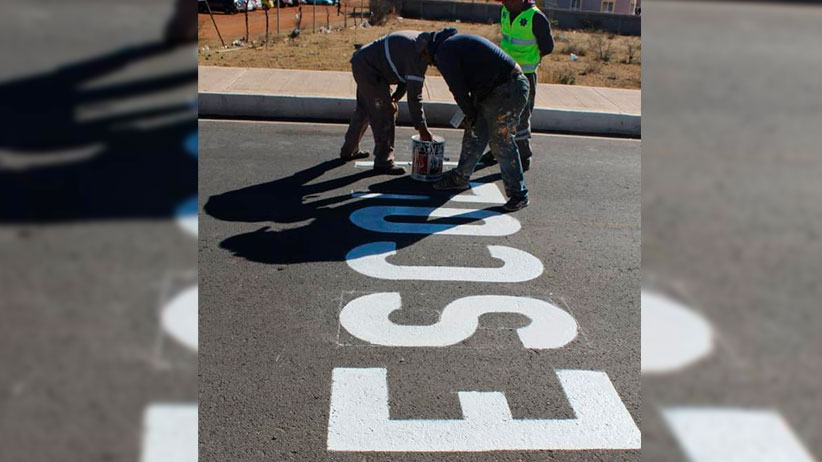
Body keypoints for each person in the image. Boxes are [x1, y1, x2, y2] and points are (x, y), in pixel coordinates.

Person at [427, 31, 531, 212]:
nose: (429, 64)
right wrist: (471, 114)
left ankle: (519, 194)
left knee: (501, 141)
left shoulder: (444, 52)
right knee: (475, 133)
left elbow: (458, 89)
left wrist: (469, 112)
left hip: (508, 88)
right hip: (493, 90)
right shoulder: (453, 45)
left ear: (430, 51)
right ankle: (460, 178)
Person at [339, 30, 438, 175]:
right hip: (370, 70)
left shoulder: (418, 43)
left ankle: (349, 150)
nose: (431, 64)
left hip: (363, 62)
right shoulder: (417, 56)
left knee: (365, 110)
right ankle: (384, 161)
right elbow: (414, 97)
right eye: (432, 60)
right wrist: (422, 128)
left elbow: (405, 73)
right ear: (426, 52)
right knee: (386, 112)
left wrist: (398, 94)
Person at [481, 0, 554, 172]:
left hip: (525, 74)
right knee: (498, 112)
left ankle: (523, 154)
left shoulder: (536, 17)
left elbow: (547, 47)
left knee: (521, 115)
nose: (504, 3)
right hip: (504, 70)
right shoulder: (505, 11)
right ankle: (498, 149)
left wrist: (530, 58)